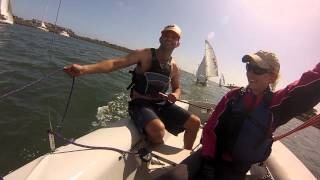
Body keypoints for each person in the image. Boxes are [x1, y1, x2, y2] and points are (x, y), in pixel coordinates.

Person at [157, 50, 320, 180]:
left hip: (235, 169)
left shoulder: (277, 104)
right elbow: (209, 129)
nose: (250, 73)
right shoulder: (233, 96)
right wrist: (207, 162)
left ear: (272, 77)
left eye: (257, 70)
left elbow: (310, 81)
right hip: (209, 156)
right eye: (248, 67)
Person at [63, 24, 201, 150]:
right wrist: (84, 69)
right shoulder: (144, 54)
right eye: (166, 35)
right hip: (140, 104)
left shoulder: (175, 67)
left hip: (161, 104)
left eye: (174, 37)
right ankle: (153, 149)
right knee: (158, 130)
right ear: (160, 38)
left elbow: (177, 88)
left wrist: (175, 95)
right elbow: (115, 63)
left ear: (178, 44)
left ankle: (185, 156)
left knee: (195, 123)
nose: (169, 38)